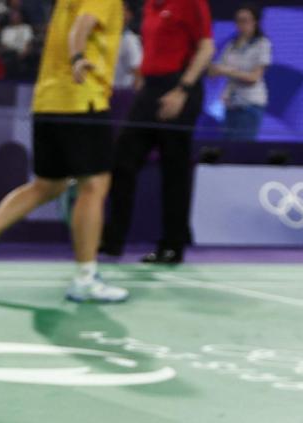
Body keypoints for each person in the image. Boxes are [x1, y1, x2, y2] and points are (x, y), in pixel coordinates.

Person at [0, 0, 128, 303]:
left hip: (47, 101)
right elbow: (81, 28)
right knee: (94, 186)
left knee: (48, 185)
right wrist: (77, 57)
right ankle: (86, 277)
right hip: (81, 98)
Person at [100, 0, 214, 265]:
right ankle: (112, 241)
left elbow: (206, 47)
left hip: (180, 86)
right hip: (150, 89)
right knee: (122, 162)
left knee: (174, 169)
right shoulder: (150, 5)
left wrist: (182, 90)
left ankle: (172, 246)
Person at [210, 4, 271, 142]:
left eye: (245, 20)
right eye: (238, 20)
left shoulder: (262, 44)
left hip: (250, 104)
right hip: (230, 104)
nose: (241, 25)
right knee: (227, 147)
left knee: (242, 148)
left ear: (255, 22)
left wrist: (227, 71)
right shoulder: (231, 45)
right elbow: (217, 70)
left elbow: (254, 77)